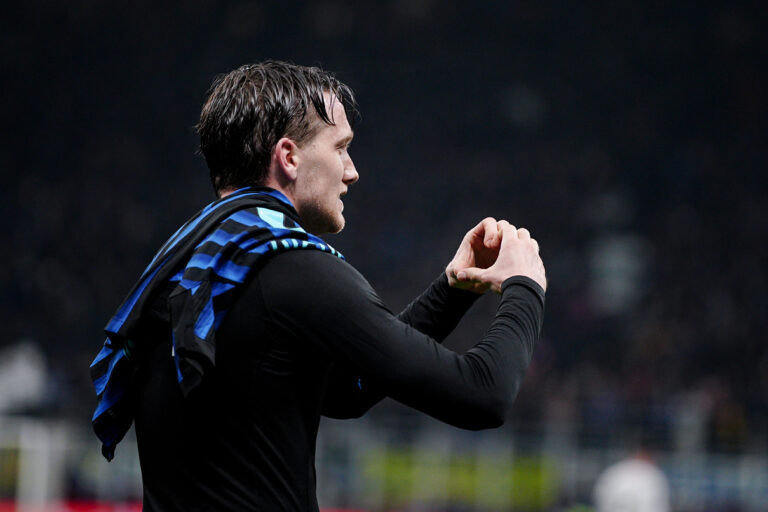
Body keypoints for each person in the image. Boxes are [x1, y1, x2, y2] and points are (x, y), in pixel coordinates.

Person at [90, 60, 547, 511]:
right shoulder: (294, 270)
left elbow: (344, 393)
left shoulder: (192, 265)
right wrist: (525, 287)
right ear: (289, 157)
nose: (352, 171)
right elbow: (482, 395)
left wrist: (453, 290)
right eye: (341, 147)